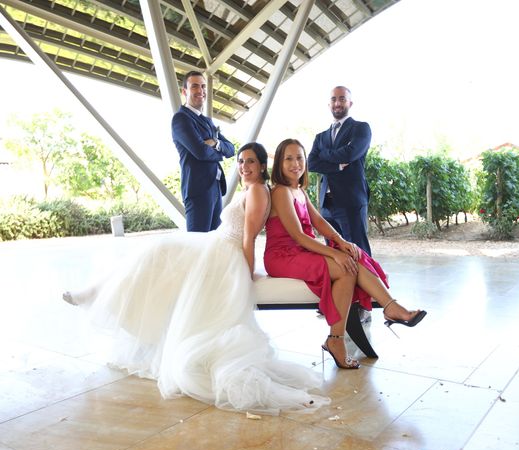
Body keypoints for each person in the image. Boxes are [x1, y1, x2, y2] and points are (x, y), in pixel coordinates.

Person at [62, 142, 329, 415]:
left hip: (223, 253)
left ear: (262, 166)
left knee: (159, 252)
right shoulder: (252, 189)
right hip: (215, 244)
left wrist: (247, 274)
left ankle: (96, 295)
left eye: (250, 162)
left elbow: (249, 238)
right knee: (158, 262)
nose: (244, 167)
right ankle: (103, 296)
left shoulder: (259, 191)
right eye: (240, 162)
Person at [264, 139, 427, 370]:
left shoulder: (298, 191)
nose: (295, 164)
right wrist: (333, 252)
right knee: (344, 266)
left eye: (299, 158)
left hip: (299, 250)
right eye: (288, 158)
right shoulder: (280, 192)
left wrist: (341, 242)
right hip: (282, 255)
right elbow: (299, 236)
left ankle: (379, 312)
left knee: (351, 259)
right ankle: (352, 330)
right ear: (279, 163)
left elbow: (318, 221)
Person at [307, 86, 372, 256]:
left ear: (350, 102)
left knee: (359, 253)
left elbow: (350, 153)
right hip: (326, 205)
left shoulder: (361, 128)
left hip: (350, 202)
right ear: (329, 104)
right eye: (334, 99)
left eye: (342, 99)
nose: (337, 103)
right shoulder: (321, 137)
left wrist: (324, 154)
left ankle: (371, 282)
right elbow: (311, 163)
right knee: (336, 254)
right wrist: (336, 165)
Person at [172, 70, 236, 232]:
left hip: (215, 188)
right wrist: (217, 151)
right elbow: (200, 152)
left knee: (213, 245)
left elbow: (231, 149)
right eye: (195, 86)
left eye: (203, 86)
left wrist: (215, 143)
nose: (200, 91)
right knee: (197, 245)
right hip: (198, 190)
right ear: (184, 91)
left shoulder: (207, 121)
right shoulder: (181, 119)